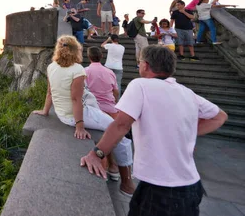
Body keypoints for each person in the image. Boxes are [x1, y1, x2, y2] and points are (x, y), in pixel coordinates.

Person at [80, 45, 227, 214]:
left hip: (161, 187)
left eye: (140, 62)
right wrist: (185, 133)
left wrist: (97, 154)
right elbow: (219, 116)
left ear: (146, 65)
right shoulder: (187, 92)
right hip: (191, 187)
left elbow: (121, 125)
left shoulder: (141, 85)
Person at [33, 35, 135, 195]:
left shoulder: (51, 66)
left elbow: (49, 92)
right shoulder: (77, 70)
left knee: (106, 125)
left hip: (61, 113)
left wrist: (45, 111)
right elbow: (75, 99)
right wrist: (80, 126)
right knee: (120, 135)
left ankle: (113, 168)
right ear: (77, 51)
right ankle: (127, 182)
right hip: (75, 116)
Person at [86, 47, 120, 118]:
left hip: (91, 107)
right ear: (102, 56)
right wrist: (115, 102)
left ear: (89, 57)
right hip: (110, 108)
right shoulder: (110, 72)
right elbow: (116, 92)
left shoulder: (85, 72)